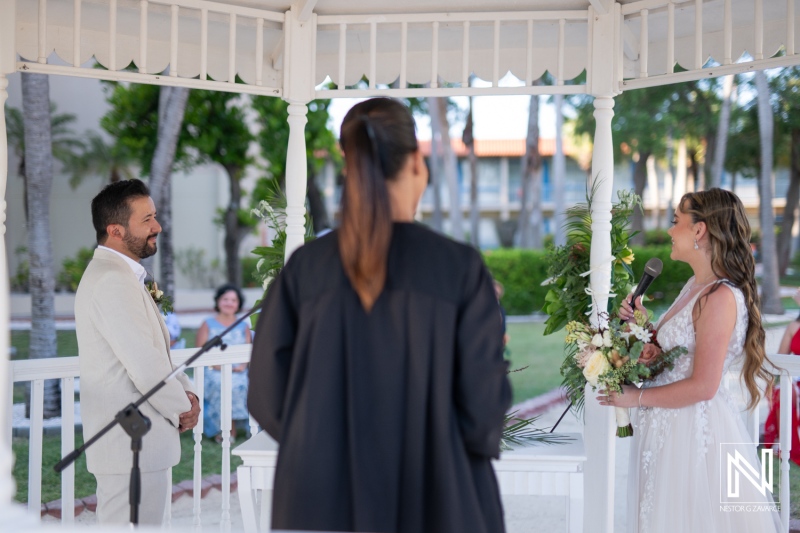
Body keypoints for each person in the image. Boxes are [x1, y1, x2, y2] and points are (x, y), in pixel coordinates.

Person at [248, 97, 511, 533]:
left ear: (349, 165)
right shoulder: (458, 268)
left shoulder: (304, 270)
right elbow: (485, 409)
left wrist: (322, 444)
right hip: (438, 501)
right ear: (416, 163)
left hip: (320, 503)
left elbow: (265, 395)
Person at [602, 188, 781, 532]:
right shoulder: (693, 286)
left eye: (675, 222)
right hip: (665, 429)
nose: (669, 231)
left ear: (699, 230)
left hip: (694, 434)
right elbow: (676, 356)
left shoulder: (720, 297)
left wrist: (634, 398)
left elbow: (703, 386)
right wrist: (644, 332)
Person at [75, 179, 200, 526]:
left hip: (138, 442)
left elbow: (156, 353)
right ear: (115, 230)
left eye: (154, 216)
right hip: (130, 442)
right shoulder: (112, 280)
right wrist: (183, 407)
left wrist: (187, 392)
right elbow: (145, 366)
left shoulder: (121, 275)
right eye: (146, 220)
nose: (157, 226)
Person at [195, 284, 252, 443]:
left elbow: (248, 352)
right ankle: (226, 430)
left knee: (245, 385)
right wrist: (216, 366)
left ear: (238, 304)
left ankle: (249, 427)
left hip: (239, 370)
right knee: (222, 385)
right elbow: (199, 352)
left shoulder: (244, 326)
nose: (229, 303)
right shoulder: (207, 324)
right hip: (214, 370)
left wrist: (242, 366)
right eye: (225, 299)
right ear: (218, 301)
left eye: (233, 300)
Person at [762, 288, 800, 466]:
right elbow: (779, 358)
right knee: (782, 392)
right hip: (795, 379)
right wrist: (770, 382)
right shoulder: (794, 326)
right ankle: (787, 445)